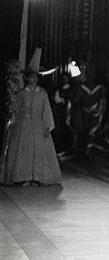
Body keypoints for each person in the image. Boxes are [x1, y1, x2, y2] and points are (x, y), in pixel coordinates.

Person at [0, 58, 62, 186]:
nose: (34, 79)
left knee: (38, 151)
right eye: (32, 77)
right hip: (23, 127)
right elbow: (15, 110)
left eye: (36, 77)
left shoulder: (42, 94)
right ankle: (24, 177)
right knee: (24, 151)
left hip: (38, 127)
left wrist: (47, 125)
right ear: (27, 78)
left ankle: (37, 177)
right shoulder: (21, 94)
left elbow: (46, 110)